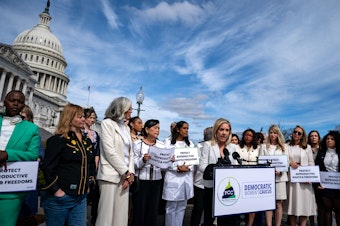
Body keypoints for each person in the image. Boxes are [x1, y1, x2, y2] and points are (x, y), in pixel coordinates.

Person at [41, 103, 96, 226]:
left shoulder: (87, 142)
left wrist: (89, 183)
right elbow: (48, 167)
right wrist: (57, 190)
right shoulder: (58, 140)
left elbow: (91, 164)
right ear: (69, 118)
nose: (83, 119)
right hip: (61, 198)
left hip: (81, 198)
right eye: (79, 117)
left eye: (83, 116)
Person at [0, 90, 40, 226]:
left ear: (24, 105)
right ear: (5, 101)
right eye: (12, 100)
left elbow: (34, 154)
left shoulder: (31, 129)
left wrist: (8, 154)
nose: (16, 104)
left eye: (20, 102)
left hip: (10, 189)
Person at [96, 97, 135, 226]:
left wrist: (131, 173)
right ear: (121, 109)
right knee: (106, 216)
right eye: (129, 108)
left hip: (125, 176)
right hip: (110, 174)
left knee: (121, 215)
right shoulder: (107, 124)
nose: (131, 111)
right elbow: (109, 151)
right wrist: (126, 173)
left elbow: (130, 153)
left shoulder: (126, 128)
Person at [199, 118, 238, 226]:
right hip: (211, 188)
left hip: (228, 190)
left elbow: (236, 166)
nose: (224, 133)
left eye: (227, 130)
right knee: (209, 220)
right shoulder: (208, 145)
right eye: (221, 129)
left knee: (227, 220)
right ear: (216, 130)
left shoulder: (233, 147)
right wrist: (216, 171)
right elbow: (202, 167)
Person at [132, 119, 164, 226]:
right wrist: (143, 160)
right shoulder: (137, 144)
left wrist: (168, 161)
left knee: (153, 210)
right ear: (146, 129)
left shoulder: (161, 145)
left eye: (158, 128)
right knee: (139, 210)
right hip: (142, 182)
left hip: (156, 182)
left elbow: (164, 166)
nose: (157, 130)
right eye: (155, 128)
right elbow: (133, 164)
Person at [163, 121, 195, 226]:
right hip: (173, 178)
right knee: (171, 208)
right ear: (178, 129)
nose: (186, 130)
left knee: (182, 207)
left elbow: (193, 161)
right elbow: (164, 160)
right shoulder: (168, 143)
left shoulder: (190, 144)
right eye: (184, 128)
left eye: (187, 128)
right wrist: (176, 167)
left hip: (185, 179)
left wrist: (188, 168)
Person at [18, 105, 45, 224]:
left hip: (25, 176)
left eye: (23, 118)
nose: (20, 121)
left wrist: (37, 159)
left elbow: (40, 153)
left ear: (29, 119)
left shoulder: (34, 132)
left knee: (25, 214)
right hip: (9, 175)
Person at [285, 125, 316, 226]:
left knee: (303, 205)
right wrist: (290, 162)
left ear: (302, 136)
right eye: (295, 132)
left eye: (299, 133)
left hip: (304, 180)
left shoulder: (307, 147)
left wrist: (310, 177)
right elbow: (283, 158)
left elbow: (311, 163)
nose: (296, 134)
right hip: (292, 179)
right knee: (293, 205)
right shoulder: (287, 145)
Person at [260, 125, 288, 226]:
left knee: (278, 204)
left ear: (278, 134)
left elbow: (286, 162)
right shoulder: (263, 147)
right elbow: (261, 162)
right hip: (267, 179)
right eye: (271, 132)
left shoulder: (284, 147)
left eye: (275, 132)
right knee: (268, 203)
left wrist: (280, 171)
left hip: (280, 179)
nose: (272, 135)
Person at [315, 131, 340, 226]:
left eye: (332, 139)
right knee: (328, 209)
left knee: (338, 210)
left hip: (338, 186)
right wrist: (317, 184)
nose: (329, 140)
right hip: (325, 185)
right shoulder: (321, 152)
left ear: (336, 140)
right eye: (327, 139)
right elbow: (317, 168)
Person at [236, 128, 260, 226]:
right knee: (241, 203)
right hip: (240, 178)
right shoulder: (237, 147)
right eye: (246, 135)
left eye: (250, 135)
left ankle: (250, 224)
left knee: (252, 205)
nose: (247, 137)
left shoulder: (258, 148)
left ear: (253, 137)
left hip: (253, 179)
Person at [190, 126, 213, 226]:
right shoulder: (198, 146)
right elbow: (195, 166)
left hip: (211, 184)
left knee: (208, 210)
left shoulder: (215, 147)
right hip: (199, 183)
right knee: (198, 209)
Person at [84, 107, 101, 225]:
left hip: (93, 167)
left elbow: (97, 152)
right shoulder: (81, 133)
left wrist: (95, 168)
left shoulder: (95, 134)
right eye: (90, 118)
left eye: (94, 118)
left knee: (93, 195)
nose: (92, 120)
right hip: (82, 166)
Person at [308, 130, 322, 226]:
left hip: (320, 180)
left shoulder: (323, 149)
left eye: (315, 135)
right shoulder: (306, 148)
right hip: (308, 179)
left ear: (318, 137)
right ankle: (312, 223)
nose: (313, 137)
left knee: (320, 204)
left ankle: (321, 223)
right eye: (312, 136)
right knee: (310, 204)